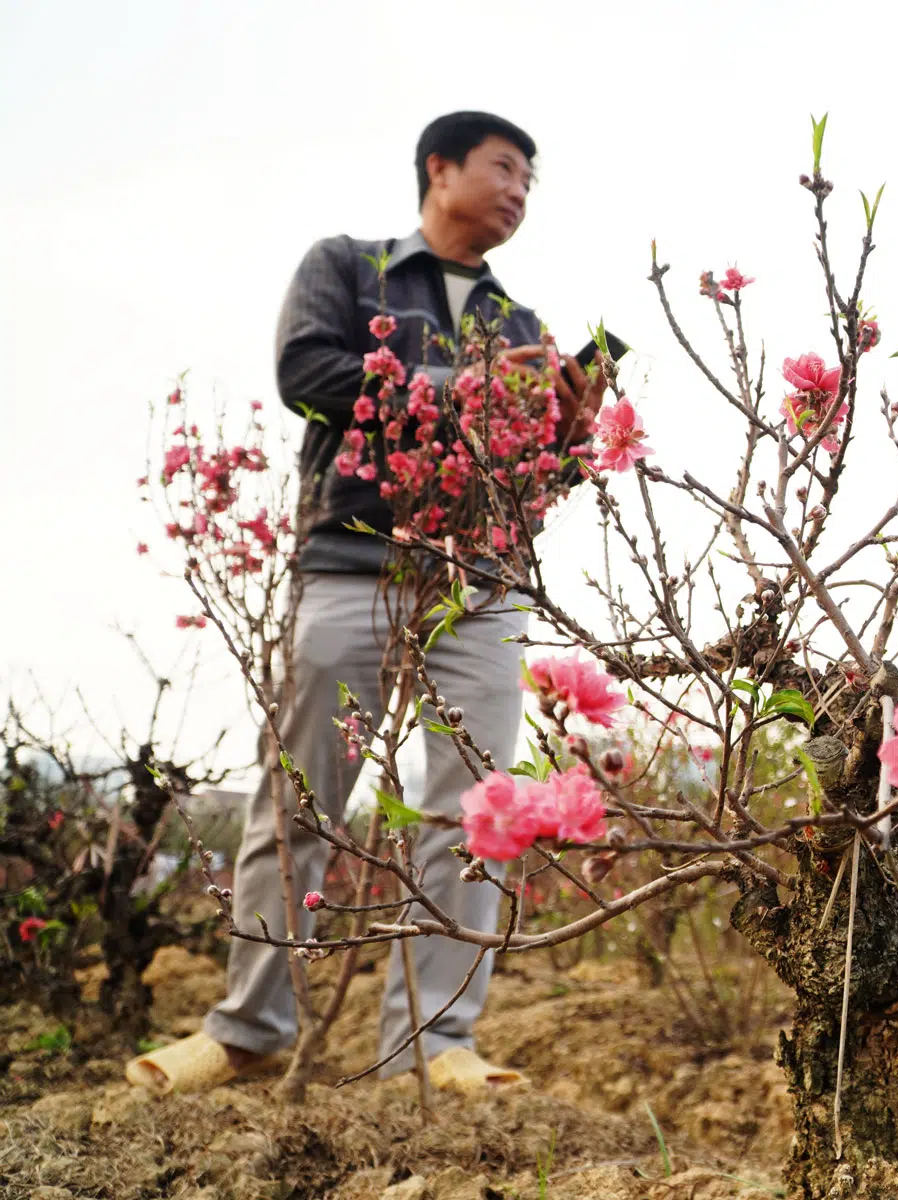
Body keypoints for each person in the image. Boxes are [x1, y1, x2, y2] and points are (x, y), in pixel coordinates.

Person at [128, 111, 605, 1096]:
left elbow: (535, 478)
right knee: (300, 799)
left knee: (475, 810)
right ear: (440, 168)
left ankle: (435, 1047)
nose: (519, 191)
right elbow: (307, 377)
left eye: (531, 181)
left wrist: (571, 436)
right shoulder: (346, 268)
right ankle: (251, 1027)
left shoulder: (525, 328)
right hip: (353, 565)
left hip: (478, 588)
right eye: (504, 167)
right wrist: (457, 386)